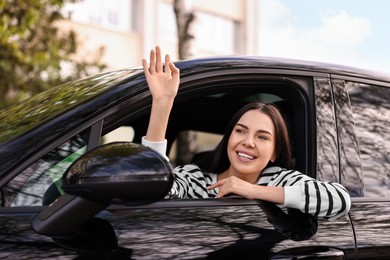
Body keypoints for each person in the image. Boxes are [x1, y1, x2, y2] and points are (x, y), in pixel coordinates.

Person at [141, 46, 351, 220]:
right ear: (229, 138)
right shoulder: (195, 178)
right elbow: (152, 188)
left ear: (275, 153)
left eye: (262, 137)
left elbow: (340, 199)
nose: (248, 142)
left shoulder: (278, 179)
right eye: (240, 131)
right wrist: (162, 103)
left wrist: (253, 191)